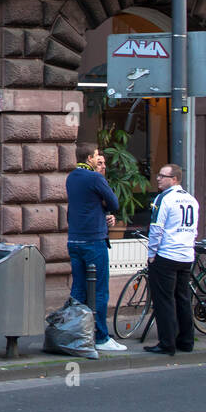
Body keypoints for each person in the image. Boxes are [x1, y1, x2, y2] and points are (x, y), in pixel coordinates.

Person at [65, 142, 124, 352]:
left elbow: (83, 204)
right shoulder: (95, 178)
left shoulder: (71, 177)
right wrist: (105, 207)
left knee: (79, 289)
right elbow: (114, 203)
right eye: (97, 155)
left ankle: (75, 334)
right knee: (99, 290)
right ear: (89, 158)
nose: (99, 159)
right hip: (93, 240)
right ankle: (101, 337)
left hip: (74, 240)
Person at [144, 163, 198, 356]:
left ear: (174, 179)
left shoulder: (163, 199)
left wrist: (151, 254)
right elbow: (193, 229)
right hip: (185, 256)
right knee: (182, 298)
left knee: (164, 300)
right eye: (158, 175)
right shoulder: (191, 199)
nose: (158, 178)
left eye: (163, 176)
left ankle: (167, 343)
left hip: (166, 255)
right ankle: (186, 340)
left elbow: (156, 229)